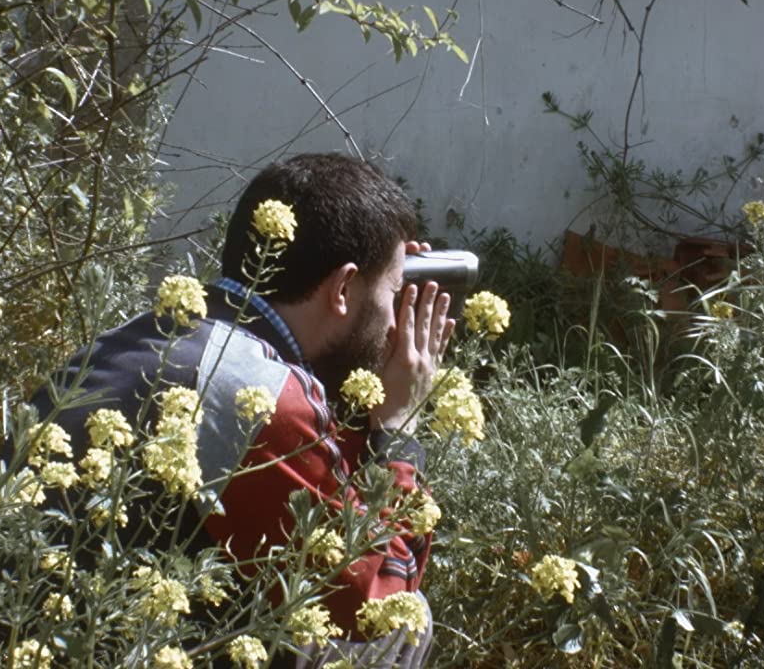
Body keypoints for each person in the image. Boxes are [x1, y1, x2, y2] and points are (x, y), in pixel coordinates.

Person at [31, 153, 451, 667]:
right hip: (92, 648)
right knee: (402, 626)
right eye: (393, 293)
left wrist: (376, 312)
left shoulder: (149, 334)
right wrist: (397, 427)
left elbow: (311, 495)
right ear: (343, 289)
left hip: (20, 632)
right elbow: (376, 595)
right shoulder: (262, 396)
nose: (394, 320)